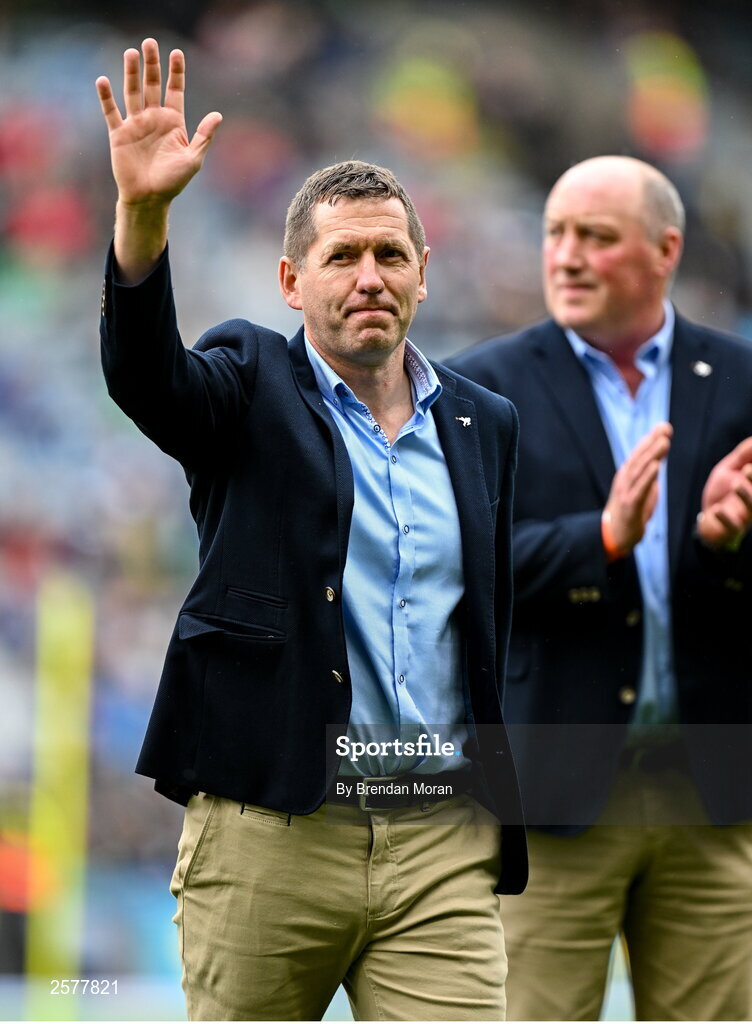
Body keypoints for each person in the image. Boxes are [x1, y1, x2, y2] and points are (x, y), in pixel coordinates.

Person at [95, 38, 526, 1022]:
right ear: (293, 281)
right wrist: (143, 216)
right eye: (341, 255)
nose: (367, 274)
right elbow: (145, 377)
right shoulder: (247, 380)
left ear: (423, 270)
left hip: (438, 839)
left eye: (388, 254)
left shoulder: (482, 422)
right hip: (272, 827)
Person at [449, 155, 752, 1021]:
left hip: (716, 789)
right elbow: (461, 574)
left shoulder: (740, 382)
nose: (567, 256)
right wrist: (603, 539)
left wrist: (727, 546)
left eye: (597, 237)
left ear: (666, 250)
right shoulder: (479, 387)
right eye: (555, 234)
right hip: (553, 795)